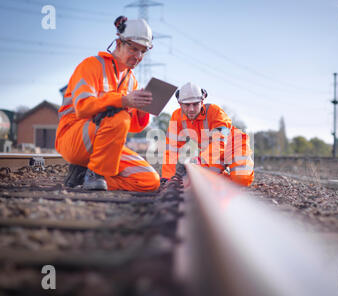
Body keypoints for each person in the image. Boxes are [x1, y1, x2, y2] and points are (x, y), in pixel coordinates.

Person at [56, 16, 160, 191]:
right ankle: (95, 173)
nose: (138, 56)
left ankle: (83, 178)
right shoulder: (91, 66)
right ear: (119, 43)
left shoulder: (131, 80)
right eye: (134, 48)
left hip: (106, 146)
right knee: (119, 118)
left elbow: (130, 127)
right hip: (74, 139)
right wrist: (123, 100)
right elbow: (83, 108)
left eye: (143, 51)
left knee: (149, 180)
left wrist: (142, 110)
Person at [161, 82, 254, 186]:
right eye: (187, 105)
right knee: (200, 179)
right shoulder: (176, 118)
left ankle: (230, 175)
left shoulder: (215, 112)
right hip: (212, 155)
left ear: (202, 101)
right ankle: (223, 177)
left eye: (195, 104)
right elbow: (171, 150)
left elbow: (220, 142)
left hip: (234, 146)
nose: (191, 109)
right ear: (180, 103)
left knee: (241, 179)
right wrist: (167, 177)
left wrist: (200, 160)